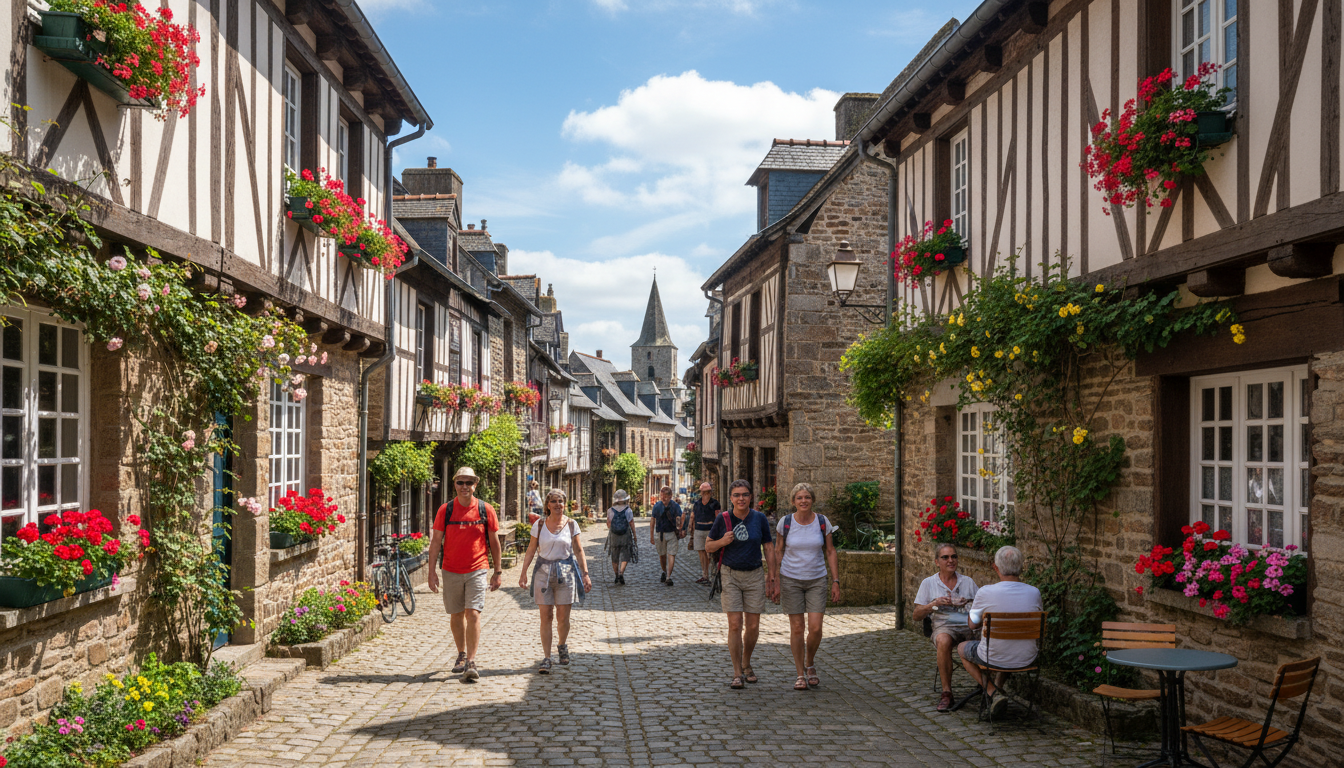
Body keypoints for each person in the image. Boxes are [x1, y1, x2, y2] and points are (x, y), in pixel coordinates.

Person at [426, 467, 503, 683]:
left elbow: (494, 543)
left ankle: (471, 660)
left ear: (475, 484)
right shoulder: (445, 510)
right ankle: (460, 653)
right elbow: (435, 543)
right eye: (461, 482)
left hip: (478, 568)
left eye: (469, 482)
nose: (465, 486)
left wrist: (497, 572)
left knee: (473, 613)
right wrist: (431, 572)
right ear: (455, 485)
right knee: (456, 614)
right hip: (450, 569)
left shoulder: (485, 509)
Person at [770, 482, 841, 691]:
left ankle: (810, 661)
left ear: (812, 500)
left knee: (816, 628)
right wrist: (775, 579)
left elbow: (830, 551)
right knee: (798, 628)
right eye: (799, 498)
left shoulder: (822, 521)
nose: (803, 501)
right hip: (791, 579)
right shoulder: (785, 523)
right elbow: (778, 551)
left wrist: (836, 581)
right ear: (793, 501)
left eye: (807, 497)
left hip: (817, 579)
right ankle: (800, 673)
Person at [706, 479, 776, 689]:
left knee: (753, 626)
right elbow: (708, 546)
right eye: (736, 495)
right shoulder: (723, 519)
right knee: (735, 624)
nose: (741, 498)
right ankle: (737, 672)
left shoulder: (759, 518)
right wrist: (722, 542)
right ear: (731, 498)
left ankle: (747, 662)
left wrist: (772, 576)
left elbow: (769, 547)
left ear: (751, 497)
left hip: (754, 574)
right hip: (730, 575)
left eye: (745, 494)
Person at [958, 545, 1043, 718]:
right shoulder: (1034, 593)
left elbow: (972, 624)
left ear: (995, 567)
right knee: (1011, 642)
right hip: (1027, 657)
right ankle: (999, 688)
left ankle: (992, 692)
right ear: (1021, 567)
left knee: (961, 648)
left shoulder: (986, 592)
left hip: (994, 656)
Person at [518, 489, 593, 673]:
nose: (558, 504)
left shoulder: (572, 524)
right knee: (546, 616)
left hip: (566, 573)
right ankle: (546, 657)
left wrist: (585, 573)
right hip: (543, 573)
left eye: (561, 501)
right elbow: (530, 550)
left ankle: (562, 645)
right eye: (554, 501)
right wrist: (523, 572)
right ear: (547, 505)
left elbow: (579, 550)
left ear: (565, 504)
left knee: (562, 617)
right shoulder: (539, 524)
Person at [913, 543, 979, 711]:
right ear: (937, 562)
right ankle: (947, 692)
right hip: (944, 626)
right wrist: (934, 605)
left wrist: (969, 603)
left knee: (992, 634)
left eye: (954, 556)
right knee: (943, 640)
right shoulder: (928, 583)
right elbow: (916, 615)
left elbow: (981, 606)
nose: (951, 560)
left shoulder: (968, 582)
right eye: (945, 557)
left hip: (969, 625)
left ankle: (989, 686)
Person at [650, 486, 683, 586]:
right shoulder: (657, 506)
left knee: (671, 554)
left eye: (665, 496)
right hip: (660, 533)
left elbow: (679, 519)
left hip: (672, 533)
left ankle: (668, 576)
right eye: (662, 496)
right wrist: (651, 535)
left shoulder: (675, 506)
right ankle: (664, 571)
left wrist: (680, 530)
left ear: (670, 496)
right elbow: (652, 521)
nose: (663, 498)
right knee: (662, 555)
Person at [688, 482, 720, 584]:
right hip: (699, 530)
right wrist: (691, 528)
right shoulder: (697, 504)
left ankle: (709, 575)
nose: (705, 494)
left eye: (707, 492)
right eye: (704, 492)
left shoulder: (715, 503)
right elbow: (692, 517)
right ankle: (705, 575)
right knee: (701, 552)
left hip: (710, 531)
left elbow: (718, 518)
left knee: (709, 553)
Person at [605, 489, 638, 583]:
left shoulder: (610, 510)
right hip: (625, 535)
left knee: (614, 556)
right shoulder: (628, 510)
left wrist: (614, 528)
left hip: (614, 535)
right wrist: (634, 536)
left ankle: (616, 575)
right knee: (625, 555)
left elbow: (608, 524)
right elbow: (631, 523)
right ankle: (621, 573)